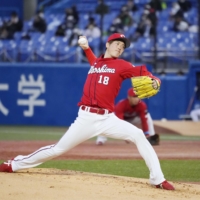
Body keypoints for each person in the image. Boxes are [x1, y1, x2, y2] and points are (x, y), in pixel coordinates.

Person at [0, 33, 175, 190]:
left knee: (138, 134)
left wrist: (155, 79)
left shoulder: (122, 65)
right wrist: (86, 48)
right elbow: (93, 60)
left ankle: (157, 178)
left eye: (122, 47)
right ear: (107, 44)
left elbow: (143, 71)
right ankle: (14, 164)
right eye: (117, 44)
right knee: (57, 149)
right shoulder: (97, 63)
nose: (120, 48)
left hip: (108, 119)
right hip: (86, 118)